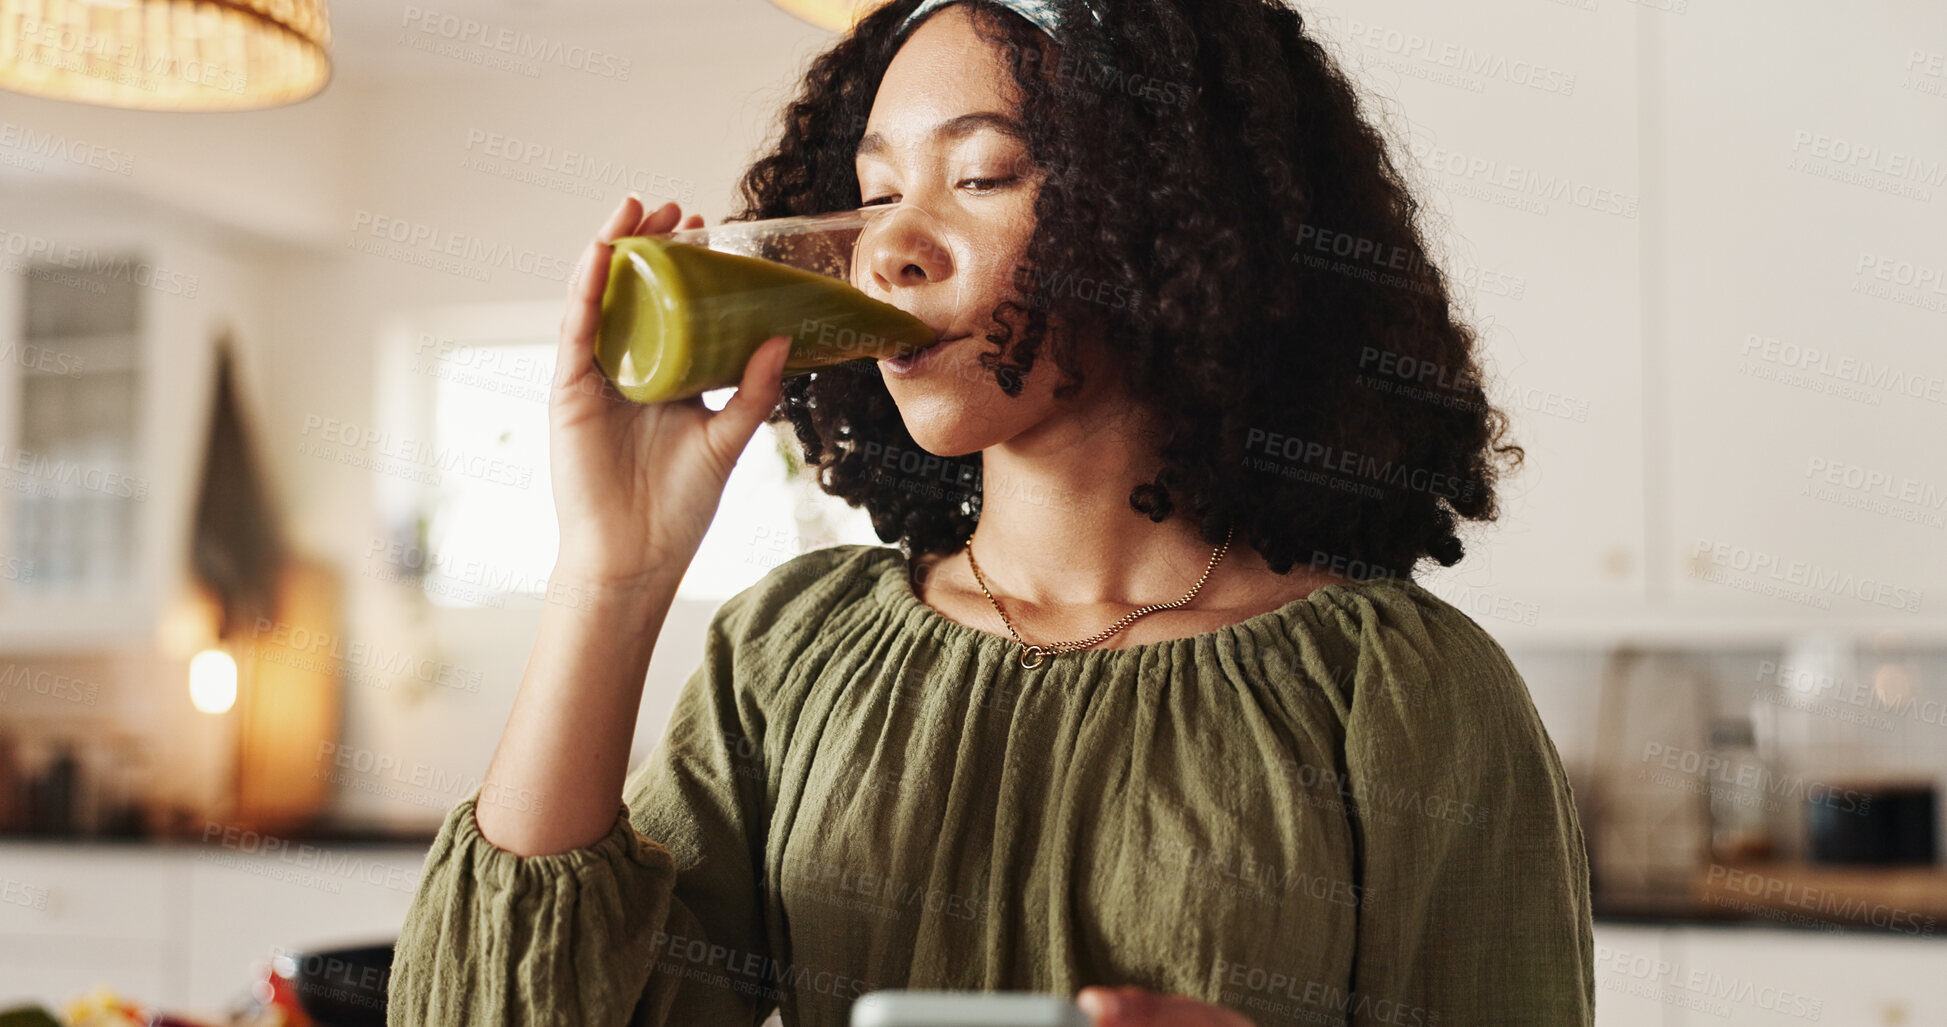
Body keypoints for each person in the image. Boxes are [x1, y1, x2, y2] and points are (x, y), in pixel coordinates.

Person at [387, 0, 1594, 1024]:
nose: (890, 250)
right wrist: (611, 573)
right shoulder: (791, 655)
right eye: (872, 195)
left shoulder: (1405, 692)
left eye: (983, 176)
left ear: (1173, 213)